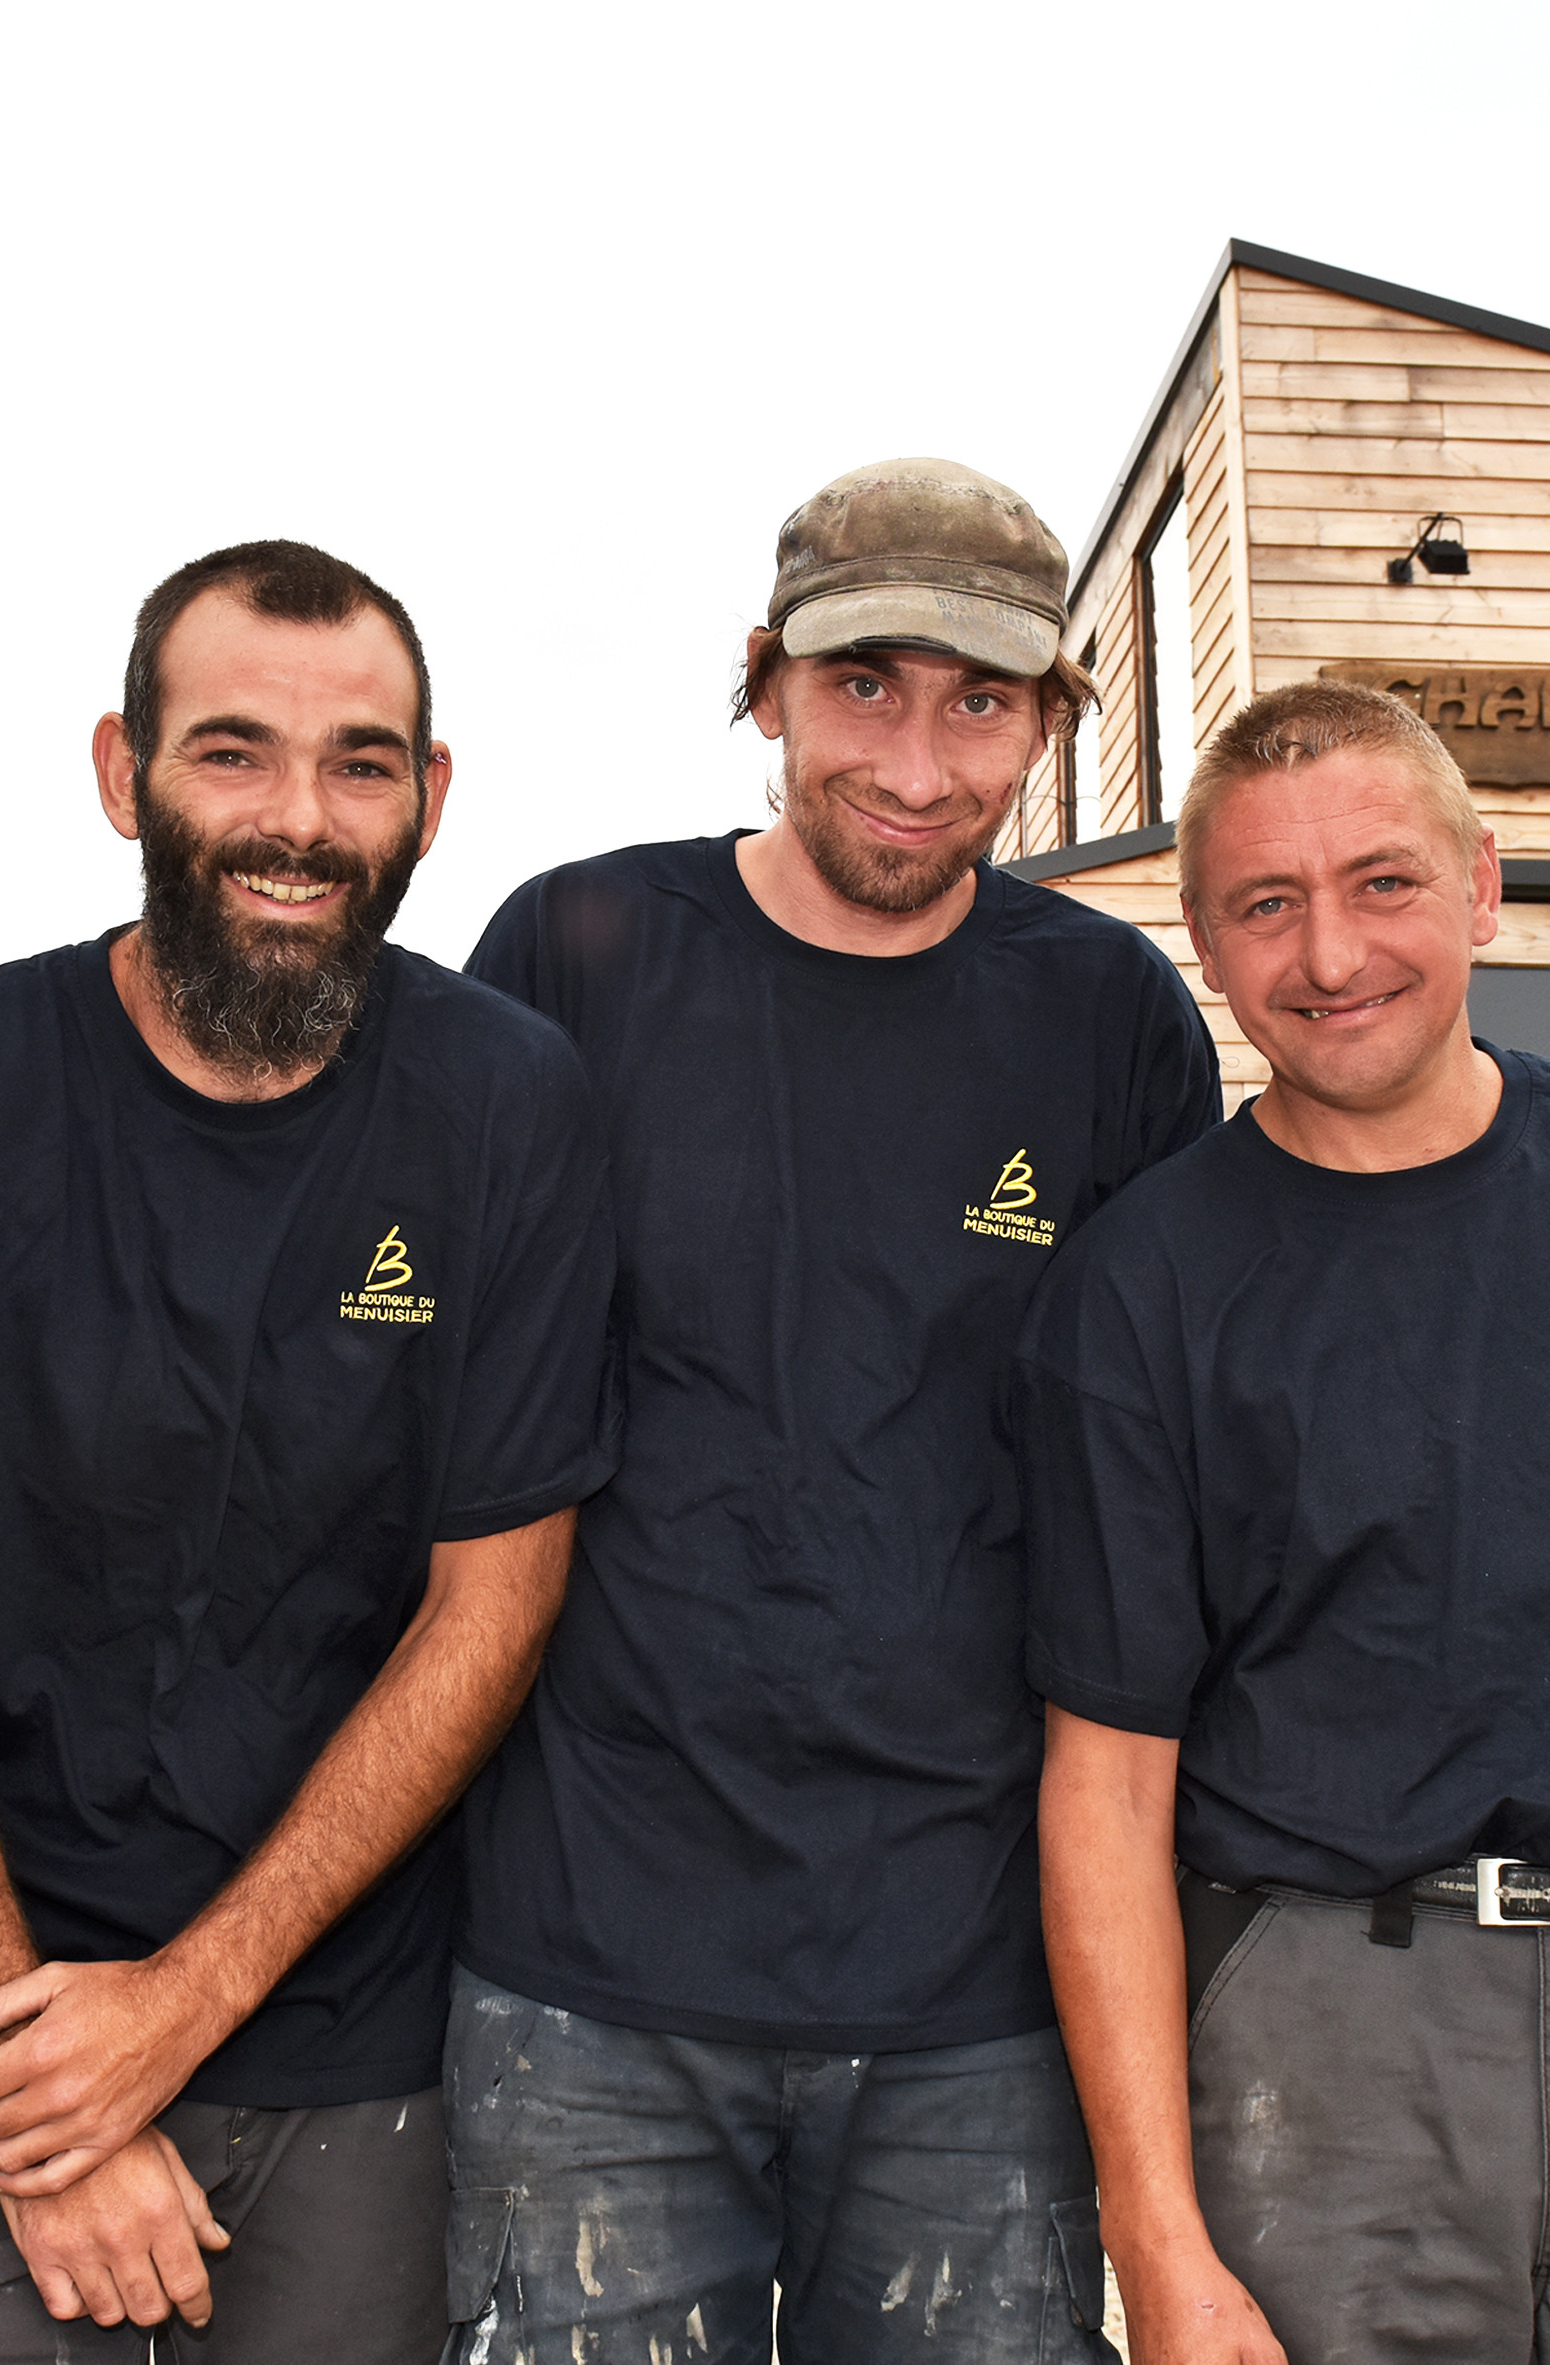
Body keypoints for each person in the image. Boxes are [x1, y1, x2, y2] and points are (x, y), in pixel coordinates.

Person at [0, 540, 616, 2361]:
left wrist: (177, 2006)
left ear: (429, 795)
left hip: (354, 2038)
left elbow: (493, 1605)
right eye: (233, 751)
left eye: (359, 763)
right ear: (122, 771)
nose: (297, 819)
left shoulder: (508, 1103)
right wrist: (47, 2085)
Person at [444, 457, 1222, 2360]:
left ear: (1047, 722)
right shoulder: (571, 955)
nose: (919, 762)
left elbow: (1161, 1496)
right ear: (766, 681)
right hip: (592, 1966)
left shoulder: (1112, 1018)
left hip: (981, 1987)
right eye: (865, 684)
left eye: (983, 702)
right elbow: (435, 1432)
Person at [1023, 679, 1550, 2365]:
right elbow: (1105, 1787)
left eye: (1384, 882)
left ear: (1481, 883)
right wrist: (1156, 2234)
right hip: (1328, 2028)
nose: (1331, 953)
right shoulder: (1142, 1282)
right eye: (1268, 904)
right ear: (1207, 942)